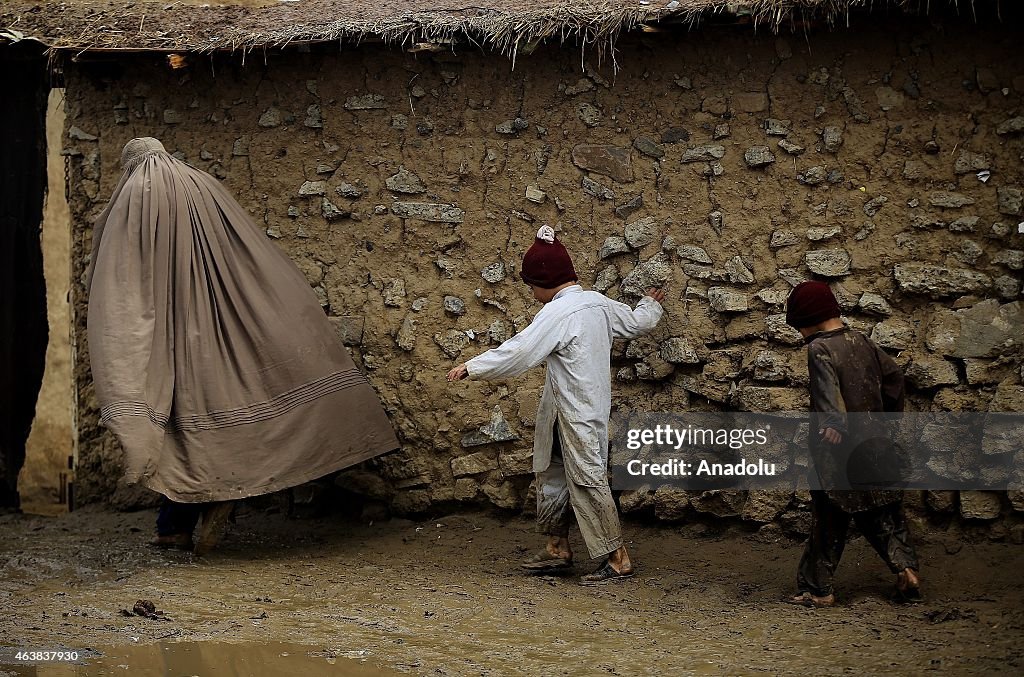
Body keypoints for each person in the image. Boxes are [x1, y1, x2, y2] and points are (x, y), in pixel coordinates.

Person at [87, 137, 399, 553]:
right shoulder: (203, 184)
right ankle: (362, 483)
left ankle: (175, 526)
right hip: (238, 315)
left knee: (185, 426)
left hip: (186, 332)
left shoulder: (137, 192)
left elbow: (126, 280)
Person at [447, 225, 665, 584]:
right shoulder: (597, 303)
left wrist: (473, 367)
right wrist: (650, 305)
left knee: (587, 478)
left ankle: (617, 557)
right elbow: (637, 322)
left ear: (544, 281)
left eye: (531, 285)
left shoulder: (558, 314)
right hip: (567, 408)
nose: (531, 292)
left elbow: (520, 351)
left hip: (578, 411)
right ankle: (557, 548)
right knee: (552, 471)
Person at [784, 280, 921, 607]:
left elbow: (827, 391)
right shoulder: (861, 340)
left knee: (828, 519)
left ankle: (817, 590)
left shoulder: (820, 348)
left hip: (838, 452)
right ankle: (906, 569)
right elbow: (894, 379)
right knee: (883, 512)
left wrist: (834, 422)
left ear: (809, 319)